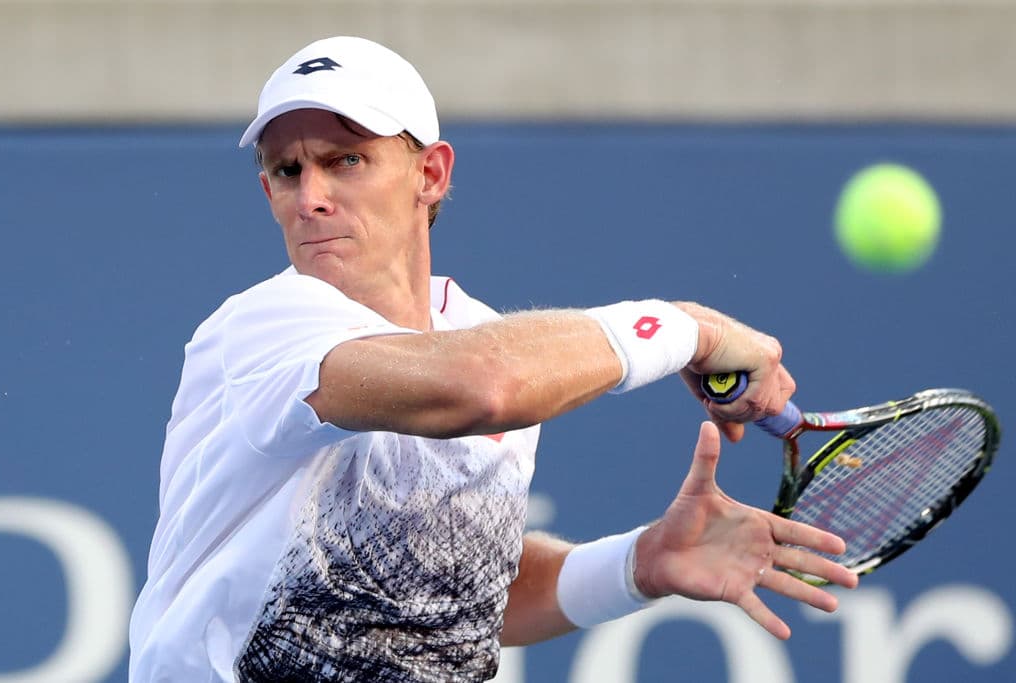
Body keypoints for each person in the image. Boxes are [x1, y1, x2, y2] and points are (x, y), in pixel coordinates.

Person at [128, 35, 858, 682]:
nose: (311, 196)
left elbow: (446, 597)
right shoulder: (264, 327)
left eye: (345, 159)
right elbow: (484, 384)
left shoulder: (475, 331)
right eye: (286, 171)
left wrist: (640, 562)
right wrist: (687, 328)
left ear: (431, 175)